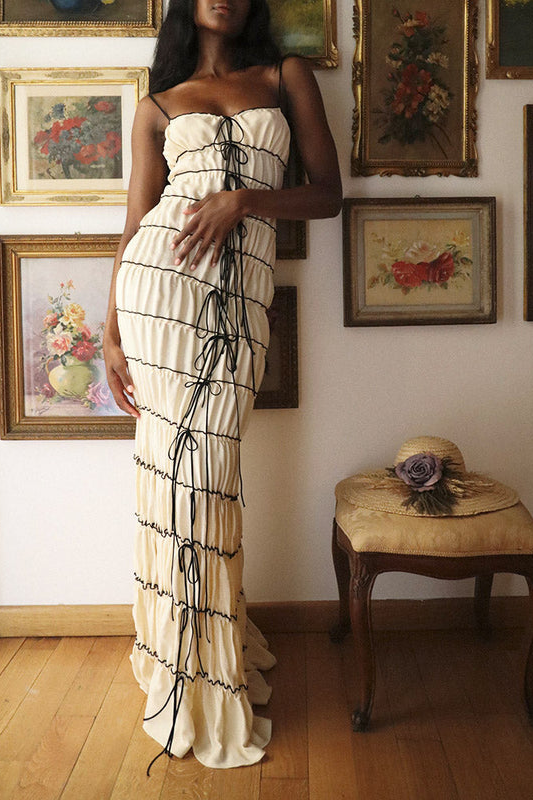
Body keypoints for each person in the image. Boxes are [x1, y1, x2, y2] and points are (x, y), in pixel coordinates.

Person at [103, 0, 342, 770]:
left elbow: (328, 194)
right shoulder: (157, 105)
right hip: (159, 294)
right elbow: (137, 220)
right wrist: (111, 329)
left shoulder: (284, 76)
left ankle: (207, 657)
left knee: (206, 480)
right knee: (174, 484)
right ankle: (188, 673)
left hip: (237, 302)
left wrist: (245, 200)